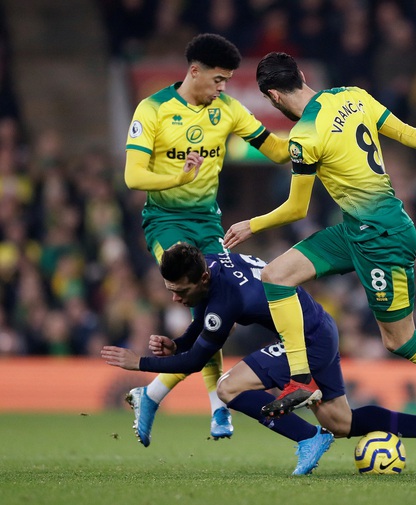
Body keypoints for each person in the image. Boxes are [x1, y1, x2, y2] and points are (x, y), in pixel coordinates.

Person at [223, 52, 416, 438]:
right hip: (355, 229)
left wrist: (250, 224)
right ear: (302, 75)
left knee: (400, 340)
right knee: (276, 275)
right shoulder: (352, 96)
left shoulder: (304, 137)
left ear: (273, 95)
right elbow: (406, 132)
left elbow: (297, 208)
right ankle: (302, 378)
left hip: (381, 238)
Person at [101, 243, 416, 476]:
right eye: (171, 292)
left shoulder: (227, 299)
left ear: (202, 277)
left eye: (181, 291)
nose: (177, 299)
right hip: (317, 327)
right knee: (341, 421)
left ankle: (308, 438)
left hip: (305, 339)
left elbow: (197, 361)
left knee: (229, 388)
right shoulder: (209, 266)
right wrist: (178, 343)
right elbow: (202, 320)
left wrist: (141, 364)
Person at [123, 33, 291, 446]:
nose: (222, 88)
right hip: (166, 222)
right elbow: (132, 176)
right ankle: (215, 406)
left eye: (227, 81)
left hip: (208, 225)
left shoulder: (229, 111)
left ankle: (159, 396)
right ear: (193, 71)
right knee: (207, 299)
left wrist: (315, 137)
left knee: (217, 307)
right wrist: (176, 177)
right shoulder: (154, 109)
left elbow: (276, 150)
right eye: (218, 79)